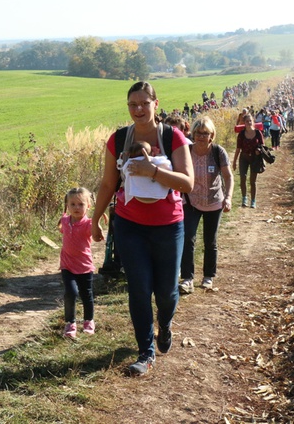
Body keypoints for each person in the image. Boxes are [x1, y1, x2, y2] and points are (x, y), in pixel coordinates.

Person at [92, 81, 193, 376]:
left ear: (155, 104)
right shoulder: (119, 139)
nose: (138, 110)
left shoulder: (172, 137)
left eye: (143, 104)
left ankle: (165, 322)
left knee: (165, 292)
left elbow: (188, 183)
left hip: (168, 226)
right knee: (138, 289)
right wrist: (96, 219)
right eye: (132, 105)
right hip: (130, 225)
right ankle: (145, 352)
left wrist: (153, 172)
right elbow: (109, 183)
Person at [179, 116, 234, 295]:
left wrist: (228, 197)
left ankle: (208, 276)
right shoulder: (186, 151)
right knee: (188, 238)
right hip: (190, 201)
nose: (202, 136)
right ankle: (187, 279)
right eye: (198, 132)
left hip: (214, 201)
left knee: (210, 241)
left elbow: (228, 176)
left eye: (206, 133)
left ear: (212, 135)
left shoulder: (218, 152)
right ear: (193, 133)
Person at [58, 187, 98, 339]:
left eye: (80, 204)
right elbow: (64, 233)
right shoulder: (64, 221)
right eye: (72, 204)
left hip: (85, 267)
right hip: (67, 266)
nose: (76, 208)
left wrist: (98, 227)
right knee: (71, 293)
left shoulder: (89, 224)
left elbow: (97, 236)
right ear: (67, 205)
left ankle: (88, 321)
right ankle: (70, 323)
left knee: (86, 294)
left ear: (88, 206)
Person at [232, 114, 264, 209]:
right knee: (243, 178)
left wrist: (259, 150)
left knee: (252, 181)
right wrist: (234, 162)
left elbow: (263, 146)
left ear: (253, 122)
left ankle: (253, 200)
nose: (249, 123)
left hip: (255, 159)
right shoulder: (241, 134)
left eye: (250, 121)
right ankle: (244, 198)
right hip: (244, 158)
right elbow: (238, 148)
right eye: (247, 121)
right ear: (244, 123)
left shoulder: (258, 133)